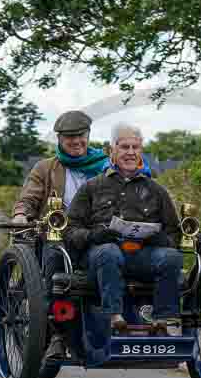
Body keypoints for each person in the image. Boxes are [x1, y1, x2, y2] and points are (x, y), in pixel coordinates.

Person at [64, 122, 184, 338]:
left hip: (142, 254)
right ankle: (115, 318)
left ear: (141, 152)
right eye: (124, 147)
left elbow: (174, 232)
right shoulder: (92, 187)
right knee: (108, 251)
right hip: (100, 257)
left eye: (135, 148)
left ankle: (163, 320)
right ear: (112, 151)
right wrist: (93, 236)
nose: (130, 153)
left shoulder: (156, 190)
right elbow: (70, 229)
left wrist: (162, 240)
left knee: (172, 257)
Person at [12, 110, 109, 361]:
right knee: (54, 259)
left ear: (88, 136)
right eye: (70, 138)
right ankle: (57, 334)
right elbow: (29, 199)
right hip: (57, 238)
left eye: (81, 136)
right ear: (59, 140)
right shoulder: (45, 168)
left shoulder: (106, 166)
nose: (77, 142)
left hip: (95, 237)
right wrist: (21, 215)